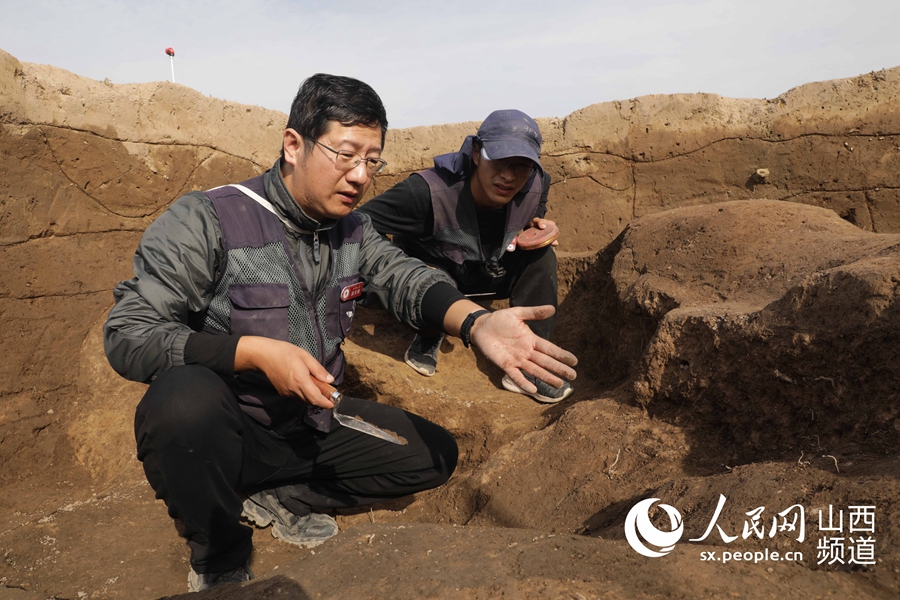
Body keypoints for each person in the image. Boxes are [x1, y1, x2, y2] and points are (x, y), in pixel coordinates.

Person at [103, 74, 577, 592]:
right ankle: (219, 553)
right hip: (231, 426)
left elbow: (405, 277)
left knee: (434, 455)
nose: (359, 176)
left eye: (372, 161)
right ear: (293, 145)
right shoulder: (208, 218)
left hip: (310, 420)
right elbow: (129, 334)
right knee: (180, 403)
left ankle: (281, 496)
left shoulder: (352, 230)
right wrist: (251, 352)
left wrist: (476, 321)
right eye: (345, 155)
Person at [357, 109, 571, 402]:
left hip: (487, 270)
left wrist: (536, 225)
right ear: (475, 152)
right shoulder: (426, 192)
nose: (508, 176)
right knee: (435, 276)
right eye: (498, 161)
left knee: (542, 256)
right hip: (435, 281)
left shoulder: (536, 181)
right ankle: (430, 330)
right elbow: (356, 227)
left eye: (520, 166)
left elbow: (537, 204)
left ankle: (530, 358)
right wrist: (399, 269)